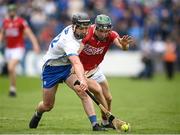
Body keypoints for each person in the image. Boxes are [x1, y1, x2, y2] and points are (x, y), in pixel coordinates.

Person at [29, 12, 106, 131]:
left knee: (82, 92)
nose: (85, 31)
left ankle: (95, 124)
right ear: (74, 26)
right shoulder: (68, 41)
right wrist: (82, 79)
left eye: (87, 28)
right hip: (51, 69)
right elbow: (76, 62)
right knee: (48, 105)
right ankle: (38, 113)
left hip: (66, 68)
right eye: (82, 28)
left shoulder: (78, 32)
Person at [79, 14, 132, 129]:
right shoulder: (87, 34)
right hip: (82, 72)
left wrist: (124, 45)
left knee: (108, 98)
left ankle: (105, 121)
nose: (104, 34)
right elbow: (75, 54)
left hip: (95, 70)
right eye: (101, 31)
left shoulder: (111, 35)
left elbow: (123, 47)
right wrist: (77, 73)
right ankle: (103, 121)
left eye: (106, 31)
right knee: (98, 93)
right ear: (96, 28)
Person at [0, 4, 40, 97]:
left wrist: (35, 45)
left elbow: (29, 34)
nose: (11, 12)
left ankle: (12, 88)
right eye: (10, 11)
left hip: (18, 48)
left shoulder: (21, 22)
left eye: (13, 10)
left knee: (10, 67)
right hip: (8, 49)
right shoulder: (5, 22)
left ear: (15, 11)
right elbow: (2, 34)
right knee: (11, 70)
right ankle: (12, 88)